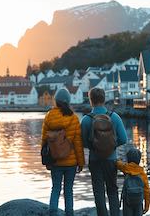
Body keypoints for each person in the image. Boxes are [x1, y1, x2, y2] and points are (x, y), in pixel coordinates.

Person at [81, 87, 127, 216]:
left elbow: (83, 142)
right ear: (104, 99)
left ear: (91, 100)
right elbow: (123, 139)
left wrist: (95, 146)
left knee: (98, 191)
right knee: (112, 191)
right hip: (111, 159)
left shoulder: (86, 120)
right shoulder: (114, 117)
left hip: (95, 160)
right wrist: (111, 146)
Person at [41, 88, 85, 216]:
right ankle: (69, 213)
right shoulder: (74, 118)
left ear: (56, 101)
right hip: (71, 162)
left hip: (55, 160)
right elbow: (78, 143)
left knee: (55, 189)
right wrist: (80, 162)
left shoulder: (49, 116)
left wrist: (45, 161)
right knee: (68, 190)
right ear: (68, 101)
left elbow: (44, 141)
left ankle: (53, 213)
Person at [116, 148, 150, 215]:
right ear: (139, 160)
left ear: (128, 159)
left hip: (127, 199)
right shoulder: (142, 174)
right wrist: (147, 205)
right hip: (139, 201)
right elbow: (147, 191)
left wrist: (117, 160)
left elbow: (118, 164)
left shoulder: (126, 168)